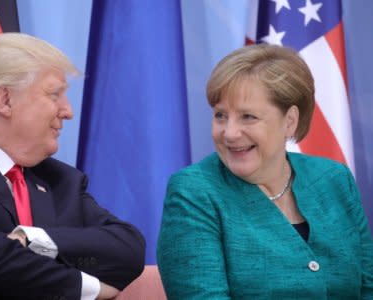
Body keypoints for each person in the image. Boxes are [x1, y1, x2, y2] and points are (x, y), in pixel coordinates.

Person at [0, 33, 145, 300]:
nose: (68, 111)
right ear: (4, 100)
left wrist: (31, 239)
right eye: (55, 94)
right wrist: (91, 289)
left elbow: (128, 250)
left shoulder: (60, 179)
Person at [157, 44, 373, 299]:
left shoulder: (334, 180)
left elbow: (368, 286)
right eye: (220, 115)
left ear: (290, 121)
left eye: (248, 117)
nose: (229, 133)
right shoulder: (194, 193)